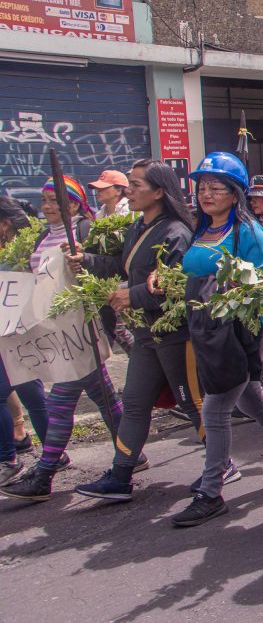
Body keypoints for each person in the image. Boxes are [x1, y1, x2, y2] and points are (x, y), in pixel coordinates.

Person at [169, 152, 263, 527]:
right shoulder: (201, 230)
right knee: (254, 403)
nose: (206, 193)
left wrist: (235, 289)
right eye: (202, 187)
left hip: (242, 331)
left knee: (215, 409)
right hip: (207, 330)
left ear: (235, 193)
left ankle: (211, 492)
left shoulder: (249, 233)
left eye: (216, 187)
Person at [69, 162, 205, 502]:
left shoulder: (175, 232)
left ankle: (222, 464)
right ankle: (120, 475)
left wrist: (132, 296)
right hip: (146, 334)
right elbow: (122, 266)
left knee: (193, 404)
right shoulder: (139, 227)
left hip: (174, 334)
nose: (128, 190)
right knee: (134, 402)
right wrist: (86, 259)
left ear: (159, 191)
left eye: (135, 184)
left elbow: (174, 285)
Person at [0, 176, 127, 502]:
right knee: (104, 396)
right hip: (56, 330)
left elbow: (108, 268)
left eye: (53, 201)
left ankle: (45, 471)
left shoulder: (85, 230)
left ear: (72, 204)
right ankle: (130, 451)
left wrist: (82, 260)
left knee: (60, 400)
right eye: (44, 202)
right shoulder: (44, 235)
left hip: (79, 328)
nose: (46, 207)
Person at [0, 197, 48, 488]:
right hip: (7, 334)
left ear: (4, 223)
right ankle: (16, 457)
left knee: (32, 398)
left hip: (18, 333)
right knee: (30, 397)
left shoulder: (21, 251)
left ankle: (15, 459)